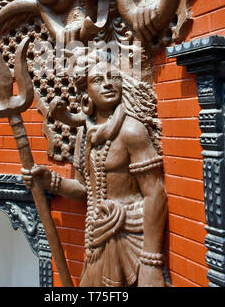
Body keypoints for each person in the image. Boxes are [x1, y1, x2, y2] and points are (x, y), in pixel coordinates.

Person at [22, 49, 167, 287]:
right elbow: (83, 189)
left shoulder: (132, 131)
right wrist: (51, 181)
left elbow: (155, 193)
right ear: (86, 93)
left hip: (130, 236)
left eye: (114, 78)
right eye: (98, 80)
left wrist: (151, 262)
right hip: (98, 237)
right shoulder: (84, 134)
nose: (108, 84)